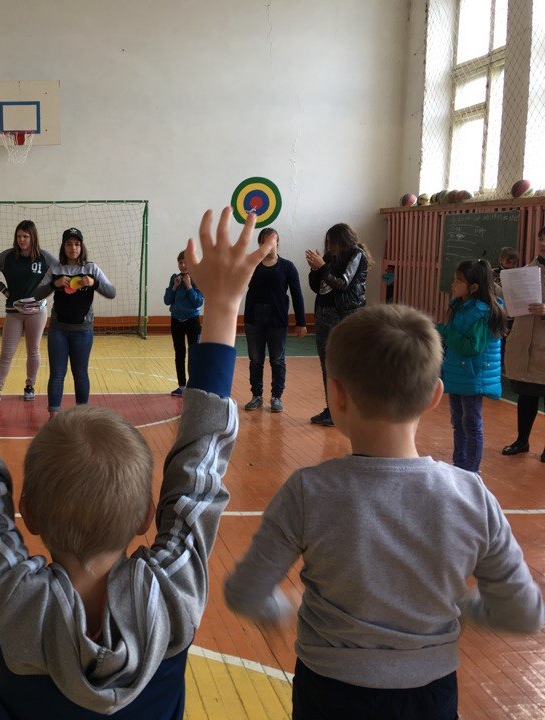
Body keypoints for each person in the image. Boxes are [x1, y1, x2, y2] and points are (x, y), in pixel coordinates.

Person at [0, 203, 272, 717]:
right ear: (146, 515)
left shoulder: (12, 600)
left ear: (28, 511)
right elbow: (201, 467)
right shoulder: (173, 596)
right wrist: (225, 305)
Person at [225, 303, 543, 720]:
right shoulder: (471, 496)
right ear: (434, 396)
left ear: (336, 395)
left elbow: (245, 594)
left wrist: (283, 608)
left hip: (328, 693)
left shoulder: (308, 491)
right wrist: (467, 608)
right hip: (430, 696)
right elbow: (523, 613)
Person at [34, 228, 115, 417]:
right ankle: (54, 416)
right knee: (57, 374)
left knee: (80, 373)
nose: (73, 248)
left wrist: (94, 283)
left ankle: (82, 414)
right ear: (63, 247)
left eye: (77, 244)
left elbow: (111, 292)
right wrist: (54, 284)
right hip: (58, 331)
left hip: (83, 331)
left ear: (82, 246)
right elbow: (37, 294)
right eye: (69, 244)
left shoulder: (91, 269)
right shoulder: (55, 269)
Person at [437, 260, 506, 472]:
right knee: (458, 422)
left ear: (473, 287)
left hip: (473, 376)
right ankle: (459, 466)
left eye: (459, 281)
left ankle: (471, 471)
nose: (453, 284)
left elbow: (471, 347)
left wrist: (444, 332)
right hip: (460, 374)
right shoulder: (460, 305)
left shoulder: (482, 312)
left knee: (471, 424)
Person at [0, 220, 55, 405]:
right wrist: (2, 289)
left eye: (25, 236)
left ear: (33, 237)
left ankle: (30, 386)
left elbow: (60, 271)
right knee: (6, 353)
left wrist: (46, 290)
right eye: (19, 236)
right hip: (13, 312)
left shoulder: (43, 257)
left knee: (33, 350)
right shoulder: (7, 256)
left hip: (37, 312)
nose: (22, 240)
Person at [305, 223, 370, 426]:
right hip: (323, 314)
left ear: (343, 240)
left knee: (344, 365)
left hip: (345, 315)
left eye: (332, 242)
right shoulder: (329, 256)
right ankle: (331, 409)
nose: (330, 246)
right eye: (328, 242)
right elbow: (317, 287)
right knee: (326, 364)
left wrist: (322, 267)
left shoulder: (356, 255)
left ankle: (348, 409)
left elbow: (342, 283)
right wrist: (315, 269)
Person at [243, 227, 306, 413]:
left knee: (277, 359)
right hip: (254, 318)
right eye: (265, 241)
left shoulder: (287, 267)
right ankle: (256, 396)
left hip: (277, 319)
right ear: (260, 244)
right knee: (255, 359)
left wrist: (301, 322)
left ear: (277, 243)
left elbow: (297, 294)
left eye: (272, 241)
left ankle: (276, 397)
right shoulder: (252, 265)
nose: (269, 245)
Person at [503, 227, 545, 460]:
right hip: (525, 342)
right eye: (541, 239)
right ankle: (522, 441)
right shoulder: (525, 272)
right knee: (527, 395)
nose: (543, 244)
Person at [164, 249, 203, 397]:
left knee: (194, 354)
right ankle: (181, 386)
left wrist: (189, 286)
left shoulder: (197, 278)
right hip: (176, 321)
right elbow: (167, 300)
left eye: (186, 262)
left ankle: (194, 386)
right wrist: (174, 287)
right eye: (180, 262)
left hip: (192, 321)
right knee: (179, 353)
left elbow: (198, 302)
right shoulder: (174, 278)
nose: (183, 265)